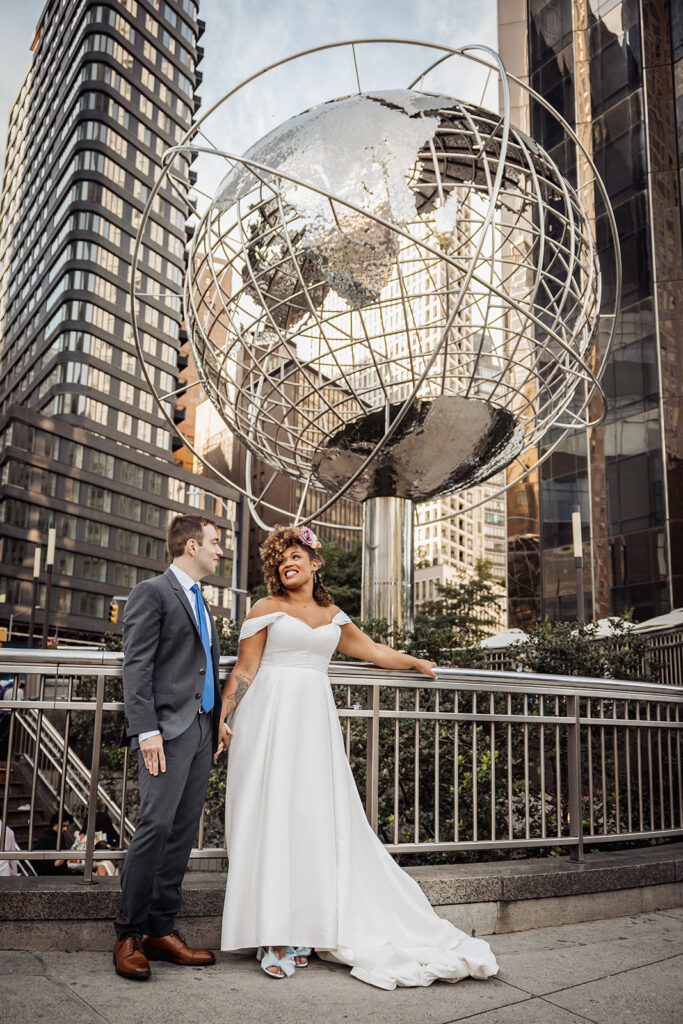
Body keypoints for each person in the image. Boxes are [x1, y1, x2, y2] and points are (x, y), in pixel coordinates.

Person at [216, 524, 499, 989]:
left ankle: (306, 926)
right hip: (266, 721)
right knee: (269, 818)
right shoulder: (265, 608)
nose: (287, 563)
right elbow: (245, 670)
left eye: (295, 556)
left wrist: (413, 661)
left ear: (314, 563)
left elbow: (370, 651)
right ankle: (272, 934)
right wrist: (225, 718)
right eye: (280, 560)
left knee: (312, 820)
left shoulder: (332, 614)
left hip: (313, 725)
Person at [113, 514, 223, 981]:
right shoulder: (152, 591)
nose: (221, 551)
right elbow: (136, 665)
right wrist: (146, 729)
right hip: (165, 732)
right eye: (216, 543)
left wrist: (218, 723)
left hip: (200, 731)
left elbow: (202, 670)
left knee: (182, 831)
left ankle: (161, 928)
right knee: (154, 828)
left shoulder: (205, 604)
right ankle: (129, 934)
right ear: (192, 545)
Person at [33, 810, 75, 875]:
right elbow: (36, 860)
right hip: (51, 876)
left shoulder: (60, 836)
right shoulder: (45, 839)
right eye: (63, 826)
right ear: (56, 823)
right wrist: (53, 863)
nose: (65, 829)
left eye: (66, 826)